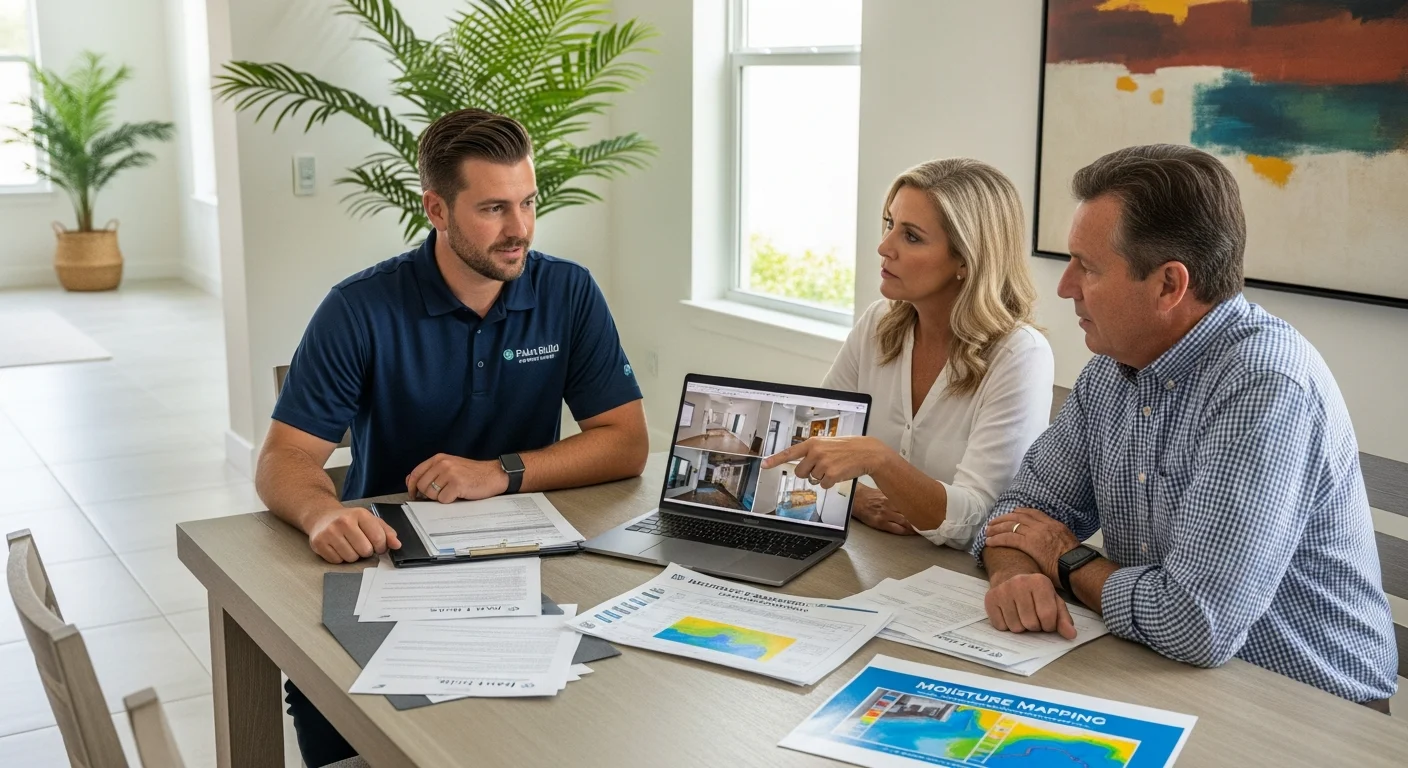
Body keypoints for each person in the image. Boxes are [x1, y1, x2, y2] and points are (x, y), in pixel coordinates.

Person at [256, 108, 649, 765]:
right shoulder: (359, 309)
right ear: (436, 208)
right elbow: (284, 456)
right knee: (336, 705)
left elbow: (625, 441)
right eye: (494, 208)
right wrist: (323, 511)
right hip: (390, 568)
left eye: (528, 202)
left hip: (532, 563)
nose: (519, 228)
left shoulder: (568, 292)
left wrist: (501, 471)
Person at [971, 144, 1397, 711]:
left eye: (1089, 267)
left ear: (1170, 285)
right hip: (1160, 667)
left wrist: (1067, 560)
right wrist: (1012, 576)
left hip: (1305, 706)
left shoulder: (1265, 386)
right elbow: (1016, 514)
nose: (1065, 285)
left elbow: (1194, 622)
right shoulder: (1111, 371)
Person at [763, 159, 1054, 550]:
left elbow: (980, 518)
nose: (884, 247)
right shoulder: (878, 323)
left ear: (966, 261)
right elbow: (813, 448)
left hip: (957, 577)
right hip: (870, 553)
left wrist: (878, 461)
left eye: (912, 237)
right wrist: (858, 499)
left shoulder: (1021, 355)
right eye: (889, 224)